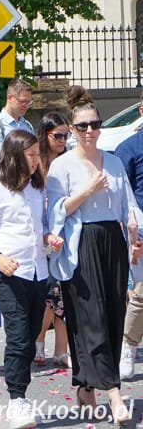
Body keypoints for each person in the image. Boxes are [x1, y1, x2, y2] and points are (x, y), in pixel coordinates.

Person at [46, 88, 142, 423]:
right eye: (83, 126)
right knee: (91, 317)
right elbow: (55, 213)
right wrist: (86, 190)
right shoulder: (62, 166)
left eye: (95, 125)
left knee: (112, 315)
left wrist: (134, 232)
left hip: (111, 242)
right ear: (72, 129)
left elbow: (128, 204)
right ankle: (114, 394)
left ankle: (86, 386)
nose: (90, 131)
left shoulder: (113, 161)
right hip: (80, 242)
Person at [0, 130, 64, 429]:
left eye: (38, 155)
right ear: (14, 156)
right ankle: (17, 399)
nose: (37, 161)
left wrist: (49, 237)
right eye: (32, 155)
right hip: (9, 273)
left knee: (32, 332)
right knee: (19, 335)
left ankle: (20, 395)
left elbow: (42, 226)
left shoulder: (37, 189)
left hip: (38, 270)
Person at [33, 111, 72, 368]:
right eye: (58, 135)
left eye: (66, 135)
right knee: (47, 296)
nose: (63, 140)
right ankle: (38, 343)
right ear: (46, 135)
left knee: (63, 295)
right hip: (42, 236)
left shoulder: (69, 160)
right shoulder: (37, 163)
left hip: (64, 233)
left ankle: (61, 350)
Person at [113, 94, 143, 382]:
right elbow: (125, 198)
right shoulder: (129, 149)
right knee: (142, 294)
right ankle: (128, 346)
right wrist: (132, 233)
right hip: (141, 231)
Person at [0, 79, 35, 179]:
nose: (27, 105)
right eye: (23, 101)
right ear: (9, 98)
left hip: (25, 182)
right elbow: (2, 160)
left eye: (29, 102)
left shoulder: (27, 126)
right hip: (3, 183)